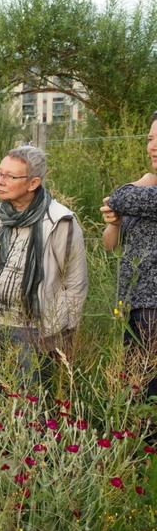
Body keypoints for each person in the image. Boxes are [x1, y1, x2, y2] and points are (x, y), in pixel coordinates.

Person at [0, 145, 87, 381]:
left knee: (27, 405)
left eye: (9, 176)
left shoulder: (60, 221)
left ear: (33, 183)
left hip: (31, 330)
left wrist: (60, 336)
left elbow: (74, 284)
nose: (0, 180)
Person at [101, 111, 157, 398]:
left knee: (147, 392)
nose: (153, 147)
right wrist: (115, 222)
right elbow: (110, 243)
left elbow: (120, 197)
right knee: (136, 391)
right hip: (134, 308)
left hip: (152, 309)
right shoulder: (146, 196)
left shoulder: (146, 191)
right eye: (150, 139)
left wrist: (144, 180)